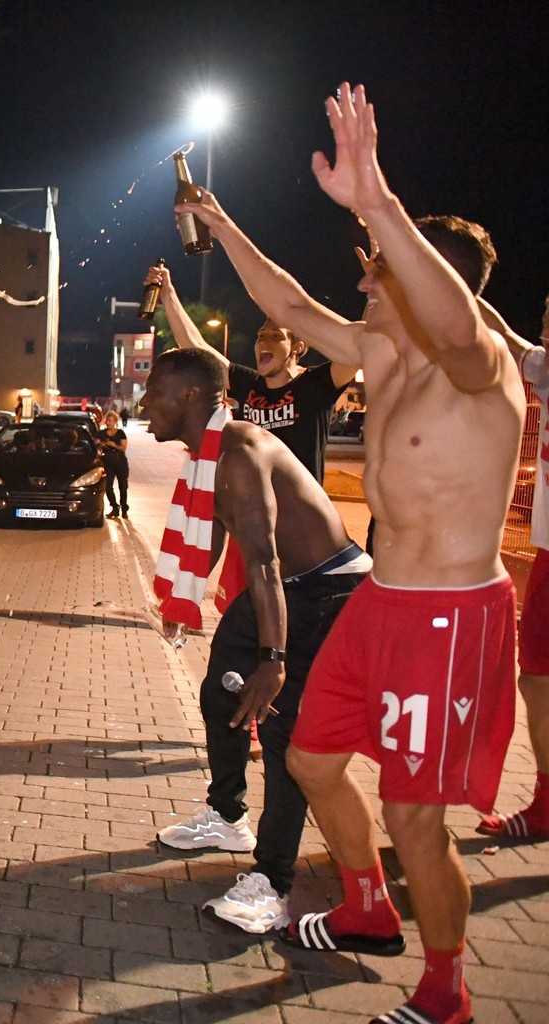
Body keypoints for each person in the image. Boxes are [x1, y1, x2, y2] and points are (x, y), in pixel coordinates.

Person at [185, 83, 523, 1024]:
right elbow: (287, 298)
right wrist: (223, 220)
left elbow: (454, 320)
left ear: (429, 279)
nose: (366, 281)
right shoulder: (383, 353)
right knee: (311, 757)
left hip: (449, 617)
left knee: (417, 817)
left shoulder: (477, 366)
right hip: (381, 598)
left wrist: (377, 199)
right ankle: (368, 909)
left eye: (380, 270)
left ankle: (445, 989)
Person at [146, 348, 369, 934]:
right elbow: (220, 531)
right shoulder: (210, 452)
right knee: (220, 693)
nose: (145, 401)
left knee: (280, 731)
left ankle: (273, 883)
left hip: (325, 592)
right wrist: (183, 598)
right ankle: (226, 815)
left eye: (155, 390)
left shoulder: (239, 452)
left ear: (192, 396)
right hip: (286, 587)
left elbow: (265, 562)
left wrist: (273, 660)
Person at [149, 265, 359, 489]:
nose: (264, 342)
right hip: (254, 510)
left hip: (300, 515)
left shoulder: (316, 384)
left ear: (297, 348)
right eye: (261, 336)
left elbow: (358, 350)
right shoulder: (249, 384)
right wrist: (168, 293)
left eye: (276, 336)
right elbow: (196, 345)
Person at [478, 292, 549, 840]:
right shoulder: (543, 369)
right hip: (546, 554)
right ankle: (545, 803)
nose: (545, 323)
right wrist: (456, 279)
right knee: (537, 678)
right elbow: (501, 328)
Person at [99, 408, 129, 519]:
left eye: (110, 421)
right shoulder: (102, 433)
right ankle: (114, 507)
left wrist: (114, 445)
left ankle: (124, 508)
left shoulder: (120, 433)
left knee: (123, 486)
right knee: (108, 486)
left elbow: (123, 448)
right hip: (108, 463)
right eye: (107, 420)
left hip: (120, 462)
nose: (108, 423)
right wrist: (100, 444)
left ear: (115, 422)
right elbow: (96, 442)